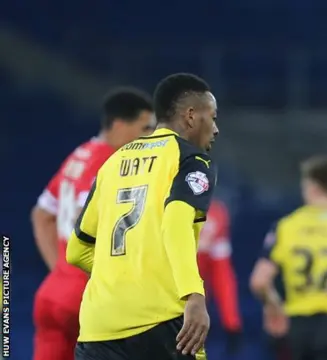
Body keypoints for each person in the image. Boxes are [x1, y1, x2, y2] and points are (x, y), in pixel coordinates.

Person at [67, 73, 218, 360]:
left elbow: (76, 250)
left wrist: (127, 274)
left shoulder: (113, 161)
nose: (216, 128)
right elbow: (175, 223)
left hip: (98, 328)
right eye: (212, 116)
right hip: (161, 324)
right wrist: (193, 295)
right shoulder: (191, 159)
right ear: (190, 116)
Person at [31, 87, 154, 360]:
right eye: (145, 128)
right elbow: (90, 220)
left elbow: (41, 214)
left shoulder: (81, 154)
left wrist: (61, 269)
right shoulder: (111, 162)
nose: (150, 137)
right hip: (86, 300)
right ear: (120, 126)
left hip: (52, 293)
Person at [250, 156, 327, 360]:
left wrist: (273, 305)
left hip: (294, 325)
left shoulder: (288, 226)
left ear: (313, 186)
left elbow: (259, 281)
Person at [197, 199, 243, 354]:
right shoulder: (158, 207)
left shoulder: (214, 215)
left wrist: (231, 322)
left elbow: (222, 275)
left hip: (190, 311)